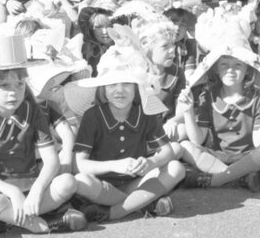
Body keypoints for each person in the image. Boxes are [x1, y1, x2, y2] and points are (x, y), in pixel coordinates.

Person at [0, 35, 87, 238]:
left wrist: (37, 190)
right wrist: (12, 192)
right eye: (4, 85)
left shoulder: (33, 111)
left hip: (31, 188)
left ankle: (3, 218)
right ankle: (33, 222)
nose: (14, 92)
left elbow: (51, 160)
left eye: (19, 84)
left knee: (67, 182)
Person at [73, 42, 185, 221]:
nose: (119, 90)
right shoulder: (92, 115)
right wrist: (114, 165)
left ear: (137, 87)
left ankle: (114, 212)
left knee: (176, 168)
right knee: (81, 181)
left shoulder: (145, 112)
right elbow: (78, 165)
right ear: (103, 88)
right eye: (112, 84)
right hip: (102, 185)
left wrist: (151, 162)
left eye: (127, 84)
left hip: (136, 182)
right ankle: (143, 202)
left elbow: (167, 152)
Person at [177, 8, 260, 191]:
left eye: (238, 65)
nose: (231, 70)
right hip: (218, 156)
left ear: (248, 69)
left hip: (249, 156)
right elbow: (197, 139)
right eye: (224, 64)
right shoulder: (207, 95)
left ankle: (215, 179)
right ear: (215, 68)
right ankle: (237, 178)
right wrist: (188, 112)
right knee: (185, 146)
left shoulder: (258, 98)